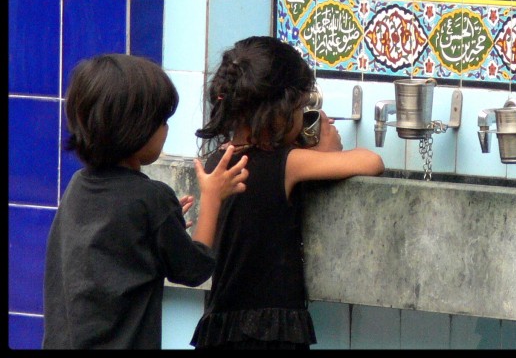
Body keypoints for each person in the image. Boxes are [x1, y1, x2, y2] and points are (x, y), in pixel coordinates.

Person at [190, 36, 384, 350]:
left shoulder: (218, 161)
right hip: (271, 334)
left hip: (222, 326)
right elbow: (372, 162)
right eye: (301, 107)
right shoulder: (288, 163)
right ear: (281, 109)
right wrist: (326, 151)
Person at [43, 54, 249, 349]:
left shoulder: (77, 187)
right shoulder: (151, 199)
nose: (166, 129)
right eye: (162, 120)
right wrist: (213, 198)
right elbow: (194, 269)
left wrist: (163, 223)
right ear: (135, 129)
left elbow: (112, 249)